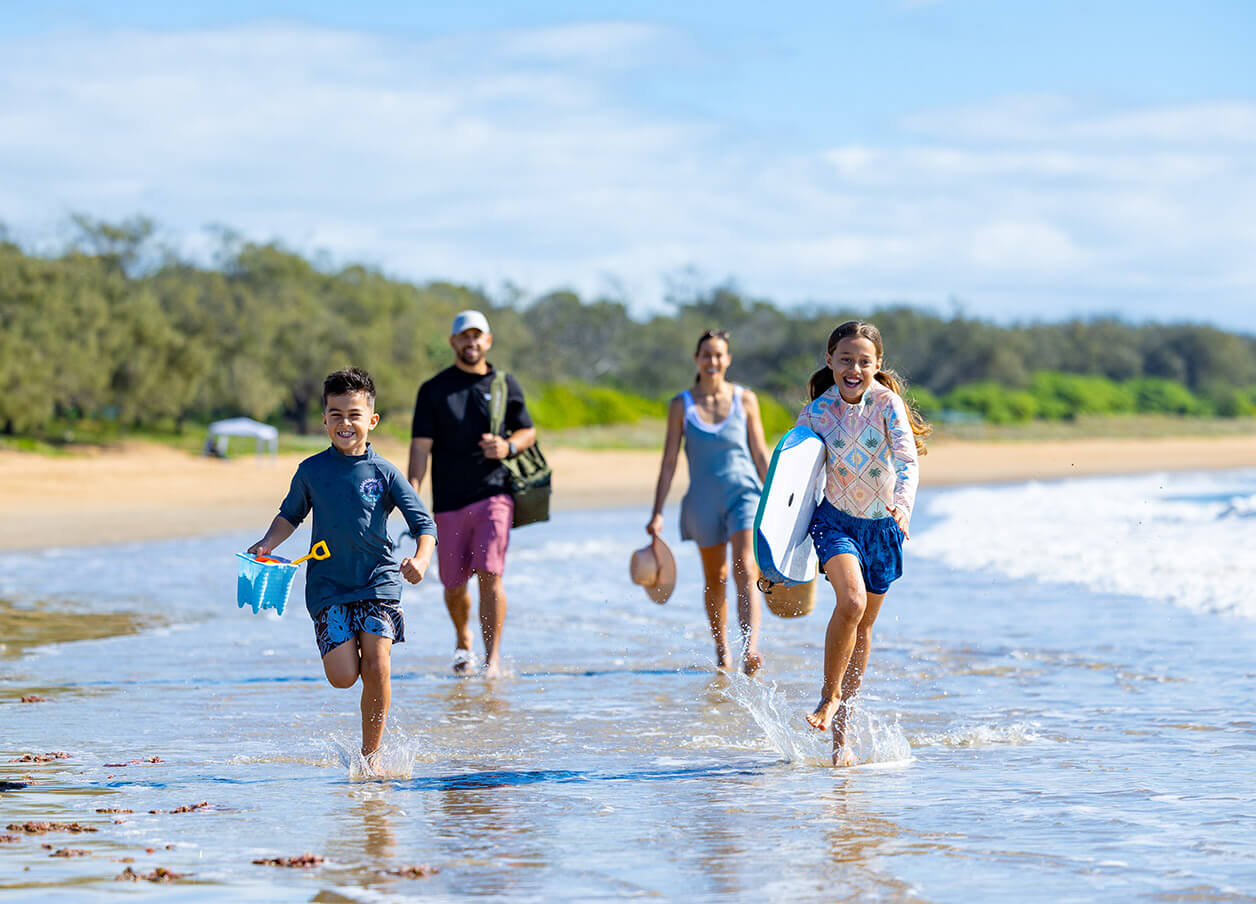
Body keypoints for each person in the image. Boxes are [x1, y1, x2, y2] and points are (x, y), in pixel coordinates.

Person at [247, 367, 437, 768]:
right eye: (336, 414)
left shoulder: (384, 472)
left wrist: (421, 559)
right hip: (329, 587)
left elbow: (424, 524)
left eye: (354, 414)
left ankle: (372, 756)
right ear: (324, 420)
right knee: (343, 676)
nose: (345, 423)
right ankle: (366, 716)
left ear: (372, 420)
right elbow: (290, 516)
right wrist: (267, 543)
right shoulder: (312, 470)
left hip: (378, 582)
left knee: (378, 663)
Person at [796, 320, 931, 766]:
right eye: (846, 360)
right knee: (850, 604)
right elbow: (794, 478)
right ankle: (828, 695)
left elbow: (907, 460)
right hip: (834, 521)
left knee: (865, 629)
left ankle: (842, 737)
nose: (854, 369)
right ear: (830, 361)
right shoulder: (816, 412)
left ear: (877, 365)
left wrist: (903, 506)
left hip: (883, 527)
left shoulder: (886, 403)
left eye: (864, 362)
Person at [408, 310, 537, 678]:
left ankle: (492, 660)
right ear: (453, 342)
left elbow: (527, 431)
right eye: (464, 336)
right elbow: (420, 448)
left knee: (490, 573)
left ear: (489, 341)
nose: (471, 342)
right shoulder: (433, 390)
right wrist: (412, 494)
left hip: (494, 494)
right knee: (452, 583)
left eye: (478, 336)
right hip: (447, 501)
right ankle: (464, 640)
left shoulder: (504, 384)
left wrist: (508, 447)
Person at [647, 328, 771, 674]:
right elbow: (669, 462)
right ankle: (722, 651)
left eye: (719, 355)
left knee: (746, 567)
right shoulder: (681, 404)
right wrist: (657, 512)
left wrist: (778, 502)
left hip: (744, 494)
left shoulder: (745, 399)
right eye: (707, 355)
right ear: (697, 359)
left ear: (727, 359)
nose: (713, 361)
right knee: (715, 578)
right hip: (702, 501)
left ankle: (750, 648)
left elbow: (761, 455)